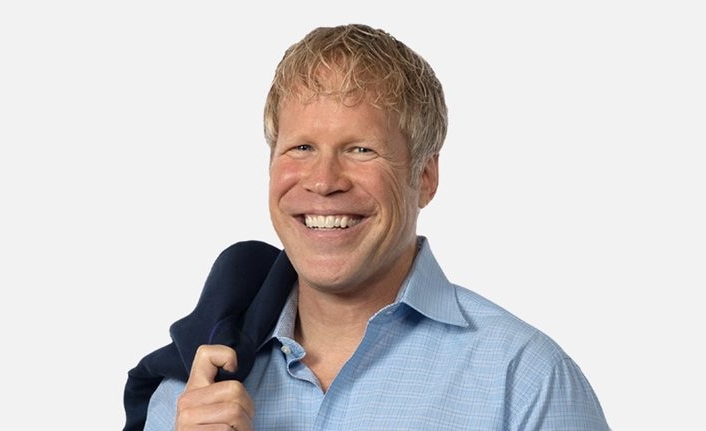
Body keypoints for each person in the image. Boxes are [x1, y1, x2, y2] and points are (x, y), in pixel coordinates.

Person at [130, 23, 610, 430]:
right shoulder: (190, 393)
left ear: (424, 178)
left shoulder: (525, 381)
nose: (324, 181)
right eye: (301, 148)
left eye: (361, 149)